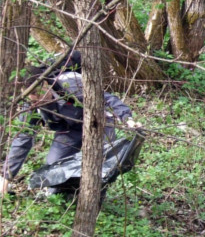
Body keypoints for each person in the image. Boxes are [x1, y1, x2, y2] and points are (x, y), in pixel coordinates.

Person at [0, 57, 139, 196]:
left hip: (99, 122)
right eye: (31, 96)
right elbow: (24, 137)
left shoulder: (69, 83)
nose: (36, 99)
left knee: (99, 164)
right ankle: (63, 195)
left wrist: (127, 118)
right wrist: (6, 176)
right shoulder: (30, 104)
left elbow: (106, 98)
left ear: (46, 84)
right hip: (69, 129)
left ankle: (94, 198)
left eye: (38, 93)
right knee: (53, 165)